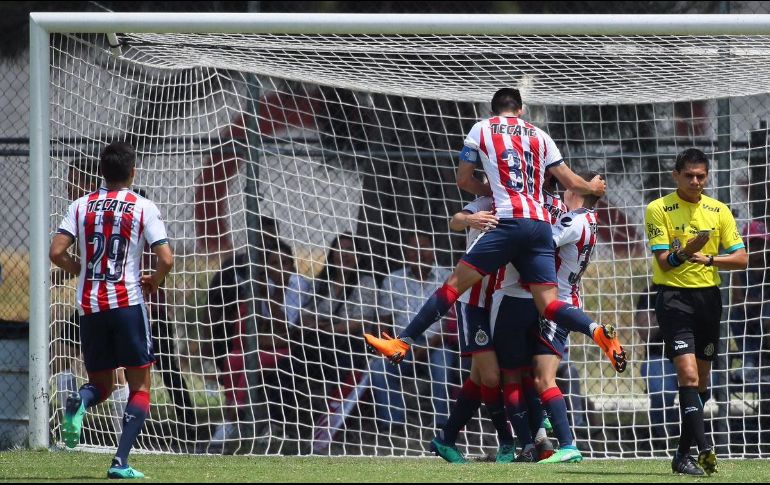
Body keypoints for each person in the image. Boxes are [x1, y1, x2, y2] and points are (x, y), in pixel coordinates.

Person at [365, 87, 625, 379]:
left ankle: (402, 342)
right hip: (539, 225)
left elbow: (463, 179)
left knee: (451, 286)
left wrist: (490, 189)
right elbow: (572, 182)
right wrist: (593, 189)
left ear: (493, 110)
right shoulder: (540, 135)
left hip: (509, 222)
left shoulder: (480, 129)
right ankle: (596, 330)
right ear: (521, 110)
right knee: (550, 304)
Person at [49, 141, 173, 479]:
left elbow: (57, 252)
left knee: (100, 386)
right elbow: (166, 259)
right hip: (127, 303)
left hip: (89, 305)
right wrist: (155, 280)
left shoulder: (80, 206)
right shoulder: (142, 206)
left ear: (101, 173)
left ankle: (80, 401)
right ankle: (120, 462)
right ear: (132, 172)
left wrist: (80, 270)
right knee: (140, 387)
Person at [644, 147, 748, 476]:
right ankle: (705, 450)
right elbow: (664, 262)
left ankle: (681, 454)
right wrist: (685, 252)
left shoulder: (718, 211)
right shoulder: (658, 209)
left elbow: (741, 257)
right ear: (676, 175)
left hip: (708, 301)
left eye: (701, 176)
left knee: (702, 381)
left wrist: (710, 259)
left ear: (707, 176)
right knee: (687, 375)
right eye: (688, 175)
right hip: (674, 299)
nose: (695, 181)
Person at [429, 196, 518, 464]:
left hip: (503, 300)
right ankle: (506, 441)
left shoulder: (525, 204)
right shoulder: (485, 201)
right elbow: (455, 221)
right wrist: (470, 219)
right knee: (490, 377)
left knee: (480, 379)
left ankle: (445, 439)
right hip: (473, 302)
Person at [530, 171, 603, 464]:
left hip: (554, 305)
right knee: (535, 372)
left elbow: (543, 242)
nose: (563, 193)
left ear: (576, 191)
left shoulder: (572, 220)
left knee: (543, 378)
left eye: (568, 188)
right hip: (570, 298)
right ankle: (543, 427)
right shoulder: (592, 220)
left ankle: (567, 443)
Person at [370, 231, 454, 432]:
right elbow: (384, 321)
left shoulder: (448, 277)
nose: (419, 253)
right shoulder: (393, 280)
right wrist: (385, 345)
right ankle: (394, 423)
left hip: (437, 342)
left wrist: (426, 347)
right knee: (378, 369)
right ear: (406, 253)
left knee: (442, 369)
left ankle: (443, 425)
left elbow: (453, 322)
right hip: (402, 343)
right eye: (413, 249)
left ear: (433, 251)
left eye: (424, 248)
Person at [636, 284, 680, 444]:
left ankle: (689, 429)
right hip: (659, 356)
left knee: (709, 382)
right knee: (661, 388)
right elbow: (645, 331)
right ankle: (663, 435)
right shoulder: (652, 291)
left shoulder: (695, 289)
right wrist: (667, 310)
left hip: (693, 355)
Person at [729, 221, 770, 376]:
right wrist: (761, 301)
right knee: (735, 315)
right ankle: (750, 362)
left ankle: (764, 361)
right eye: (753, 245)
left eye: (762, 244)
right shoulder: (740, 268)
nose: (758, 249)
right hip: (750, 316)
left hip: (766, 317)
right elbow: (739, 302)